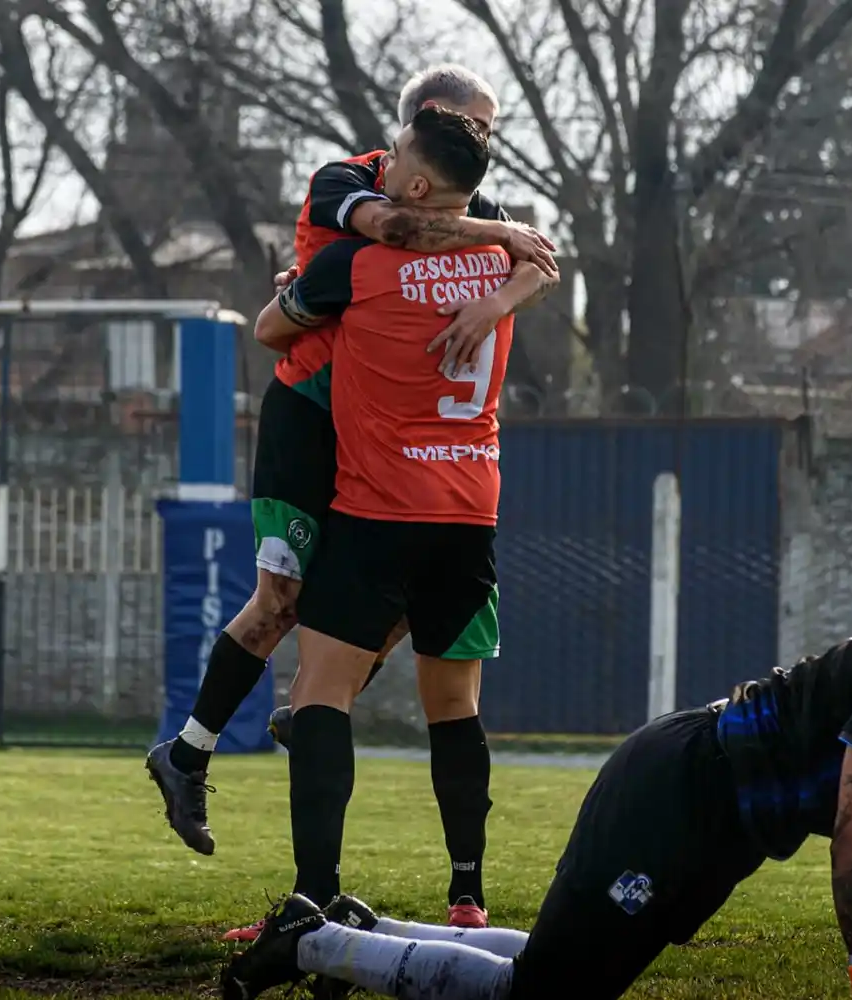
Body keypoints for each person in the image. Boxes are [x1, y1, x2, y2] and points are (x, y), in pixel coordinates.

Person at [221, 569, 852, 1000]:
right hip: (678, 789)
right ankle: (311, 943)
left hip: (725, 828)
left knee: (572, 977)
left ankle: (362, 929)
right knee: (548, 998)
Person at [145, 63, 555, 921]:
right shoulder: (348, 183)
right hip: (313, 414)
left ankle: (317, 741)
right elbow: (400, 234)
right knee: (282, 601)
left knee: (383, 611)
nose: (484, 141)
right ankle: (189, 752)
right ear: (416, 131)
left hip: (390, 437)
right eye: (469, 125)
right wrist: (498, 250)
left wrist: (499, 289)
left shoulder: (466, 210)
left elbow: (524, 255)